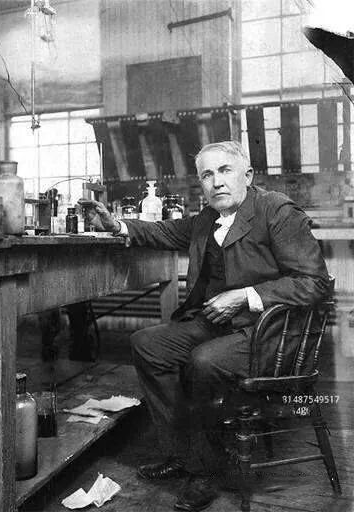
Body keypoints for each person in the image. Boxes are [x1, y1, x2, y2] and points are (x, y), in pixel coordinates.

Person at [85, 140, 330, 511]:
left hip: (271, 334)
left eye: (225, 170)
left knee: (203, 361)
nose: (217, 182)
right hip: (222, 327)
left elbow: (315, 283)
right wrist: (116, 225)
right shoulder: (206, 219)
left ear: (248, 175)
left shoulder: (276, 211)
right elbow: (163, 232)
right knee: (148, 344)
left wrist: (244, 295)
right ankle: (186, 454)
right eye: (207, 175)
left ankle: (206, 472)